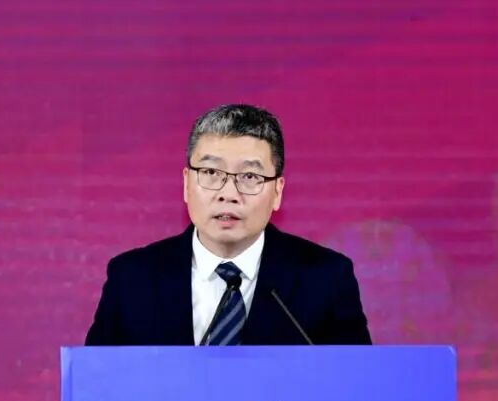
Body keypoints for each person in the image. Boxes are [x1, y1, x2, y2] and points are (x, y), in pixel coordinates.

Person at [85, 103, 371, 346]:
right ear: (186, 183)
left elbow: (355, 388)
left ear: (277, 192)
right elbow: (96, 386)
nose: (228, 194)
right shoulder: (132, 279)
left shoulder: (326, 280)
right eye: (211, 172)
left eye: (249, 177)